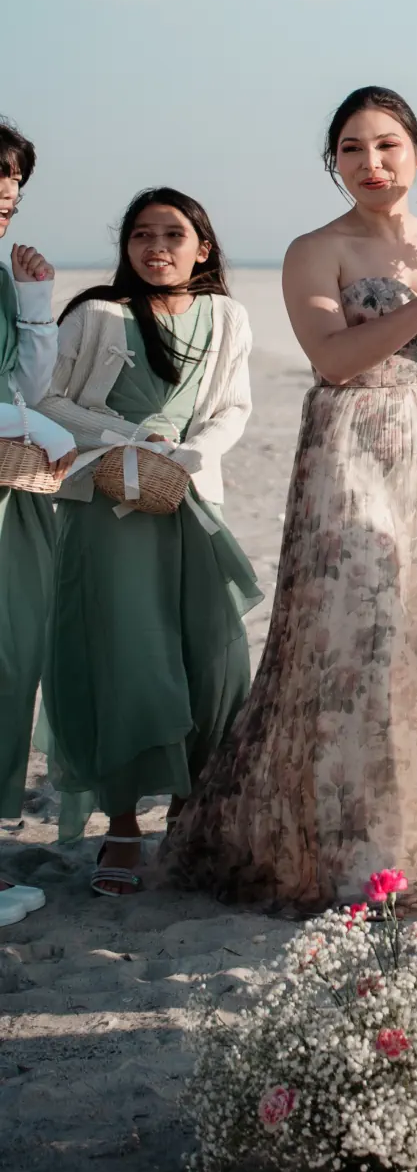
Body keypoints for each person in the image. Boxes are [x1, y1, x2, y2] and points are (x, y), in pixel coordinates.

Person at [166, 88, 417, 911]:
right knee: (352, 641)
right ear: (334, 162)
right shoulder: (316, 250)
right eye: (350, 149)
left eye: (386, 146)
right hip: (351, 451)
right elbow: (334, 359)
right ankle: (343, 843)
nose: (370, 164)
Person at [38, 189, 257, 895]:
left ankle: (195, 815)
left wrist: (187, 455)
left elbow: (231, 407)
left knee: (212, 654)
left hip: (191, 500)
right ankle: (125, 826)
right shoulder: (97, 314)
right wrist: (130, 439)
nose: (155, 246)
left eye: (172, 233)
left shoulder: (227, 316)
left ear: (205, 246)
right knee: (128, 656)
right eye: (140, 234)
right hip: (111, 506)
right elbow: (48, 400)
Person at [0, 120, 63, 926]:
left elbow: (30, 381)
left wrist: (36, 301)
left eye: (11, 192)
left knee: (13, 671)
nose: (4, 201)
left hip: (13, 496)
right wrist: (39, 432)